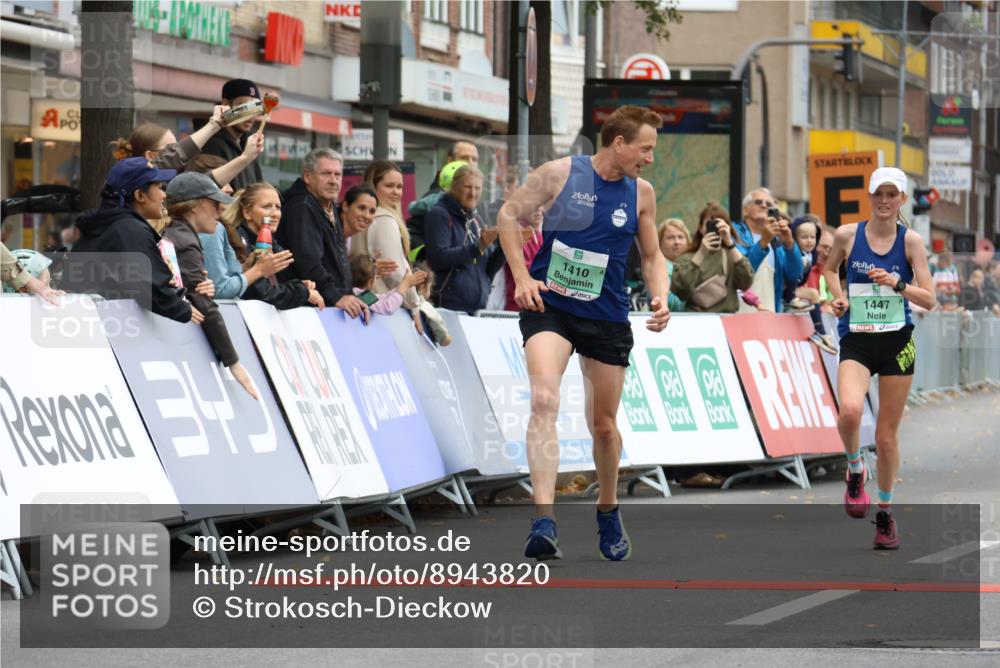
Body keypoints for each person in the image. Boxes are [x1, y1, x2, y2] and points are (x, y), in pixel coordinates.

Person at [497, 105, 671, 561]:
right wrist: (522, 277)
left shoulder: (642, 194)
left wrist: (660, 296)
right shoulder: (558, 174)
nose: (650, 158)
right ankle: (543, 519)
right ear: (619, 143)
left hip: (606, 316)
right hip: (549, 306)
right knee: (544, 400)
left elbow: (651, 257)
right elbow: (508, 217)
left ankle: (608, 509)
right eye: (645, 148)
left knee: (604, 425)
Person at [823, 167, 936, 550]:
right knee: (849, 413)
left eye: (893, 194)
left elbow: (930, 299)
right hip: (856, 338)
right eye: (879, 194)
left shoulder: (912, 242)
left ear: (902, 199)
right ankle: (855, 468)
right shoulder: (847, 235)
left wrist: (898, 284)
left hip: (897, 343)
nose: (885, 201)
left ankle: (885, 515)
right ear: (869, 196)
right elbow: (828, 269)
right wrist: (837, 297)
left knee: (886, 437)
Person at [65, 158, 201, 323]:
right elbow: (148, 287)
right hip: (110, 330)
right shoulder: (130, 230)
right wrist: (182, 309)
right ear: (139, 195)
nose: (164, 194)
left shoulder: (111, 224)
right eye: (159, 188)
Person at [162, 172, 259, 399]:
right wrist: (233, 362)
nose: (220, 210)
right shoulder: (185, 240)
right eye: (215, 203)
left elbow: (193, 290)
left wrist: (197, 287)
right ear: (195, 206)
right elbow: (204, 303)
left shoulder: (181, 233)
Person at [356, 160, 451, 343]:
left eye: (399, 186)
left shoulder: (368, 216)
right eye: (389, 186)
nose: (396, 192)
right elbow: (398, 272)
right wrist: (415, 305)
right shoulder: (384, 219)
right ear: (373, 186)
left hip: (370, 304)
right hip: (386, 309)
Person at [278, 148, 369, 320]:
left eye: (338, 175)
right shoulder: (302, 206)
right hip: (307, 311)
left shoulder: (327, 204)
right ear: (307, 177)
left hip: (327, 308)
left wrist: (347, 295)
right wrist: (336, 296)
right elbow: (309, 262)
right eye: (326, 174)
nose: (333, 181)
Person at [221, 182, 324, 310]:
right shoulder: (237, 241)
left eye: (278, 207)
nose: (275, 214)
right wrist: (302, 292)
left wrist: (299, 286)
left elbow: (272, 287)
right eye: (267, 207)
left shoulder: (271, 243)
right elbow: (263, 294)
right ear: (247, 212)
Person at [424, 164, 503, 314]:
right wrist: (478, 246)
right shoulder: (440, 214)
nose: (473, 193)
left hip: (477, 309)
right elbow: (438, 258)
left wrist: (507, 244)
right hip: (449, 308)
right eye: (467, 187)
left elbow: (489, 269)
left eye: (477, 188)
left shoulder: (476, 219)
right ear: (454, 187)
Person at [670, 203, 754, 313]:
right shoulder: (685, 258)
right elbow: (680, 290)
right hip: (695, 319)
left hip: (725, 319)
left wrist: (730, 243)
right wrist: (701, 253)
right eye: (710, 224)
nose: (715, 229)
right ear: (700, 228)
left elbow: (746, 282)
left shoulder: (731, 257)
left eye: (719, 225)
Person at [732, 187, 804, 312]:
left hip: (769, 315)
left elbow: (794, 274)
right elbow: (741, 274)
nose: (764, 206)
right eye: (758, 202)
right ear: (745, 211)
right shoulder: (734, 234)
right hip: (739, 314)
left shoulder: (776, 242)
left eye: (769, 204)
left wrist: (789, 243)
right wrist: (763, 242)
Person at [200, 79, 266, 192]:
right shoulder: (211, 144)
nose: (250, 116)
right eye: (243, 107)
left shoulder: (249, 144)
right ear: (226, 104)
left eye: (255, 108)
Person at [791, 215, 838, 353]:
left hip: (797, 300)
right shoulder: (795, 255)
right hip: (787, 298)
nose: (826, 252)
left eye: (830, 249)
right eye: (823, 246)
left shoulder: (818, 264)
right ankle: (820, 332)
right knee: (813, 293)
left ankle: (820, 333)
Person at [350, 253, 427, 316]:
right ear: (370, 282)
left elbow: (384, 298)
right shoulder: (360, 296)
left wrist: (403, 285)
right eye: (376, 276)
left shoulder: (359, 293)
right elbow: (388, 307)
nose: (377, 278)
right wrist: (405, 285)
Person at [656, 218, 690, 313]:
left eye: (681, 237)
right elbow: (673, 304)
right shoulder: (656, 268)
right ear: (659, 242)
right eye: (670, 237)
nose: (677, 242)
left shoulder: (693, 264)